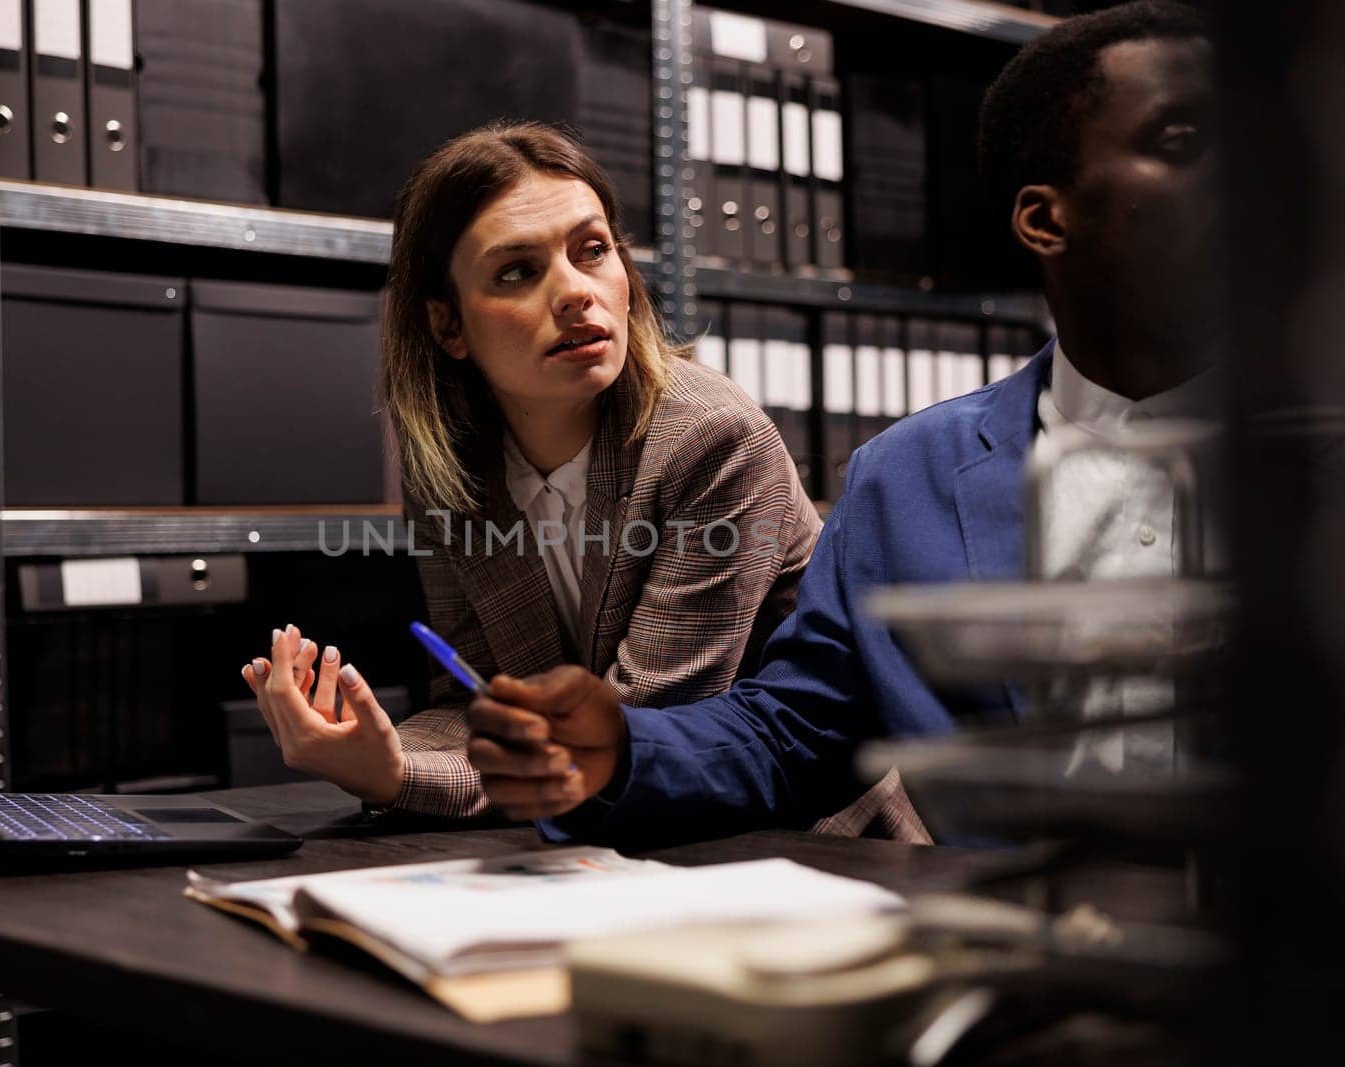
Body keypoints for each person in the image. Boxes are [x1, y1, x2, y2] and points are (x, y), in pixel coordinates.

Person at [460, 1, 1226, 845]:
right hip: (1020, 953)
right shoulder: (907, 477)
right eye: (1186, 144)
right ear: (1045, 219)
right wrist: (618, 752)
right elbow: (792, 735)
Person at [240, 122, 822, 817]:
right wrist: (380, 755)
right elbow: (476, 699)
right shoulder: (450, 465)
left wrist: (409, 780)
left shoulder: (712, 439)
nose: (577, 292)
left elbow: (627, 740)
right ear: (447, 325)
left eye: (593, 251)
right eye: (517, 271)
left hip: (792, 835)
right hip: (607, 840)